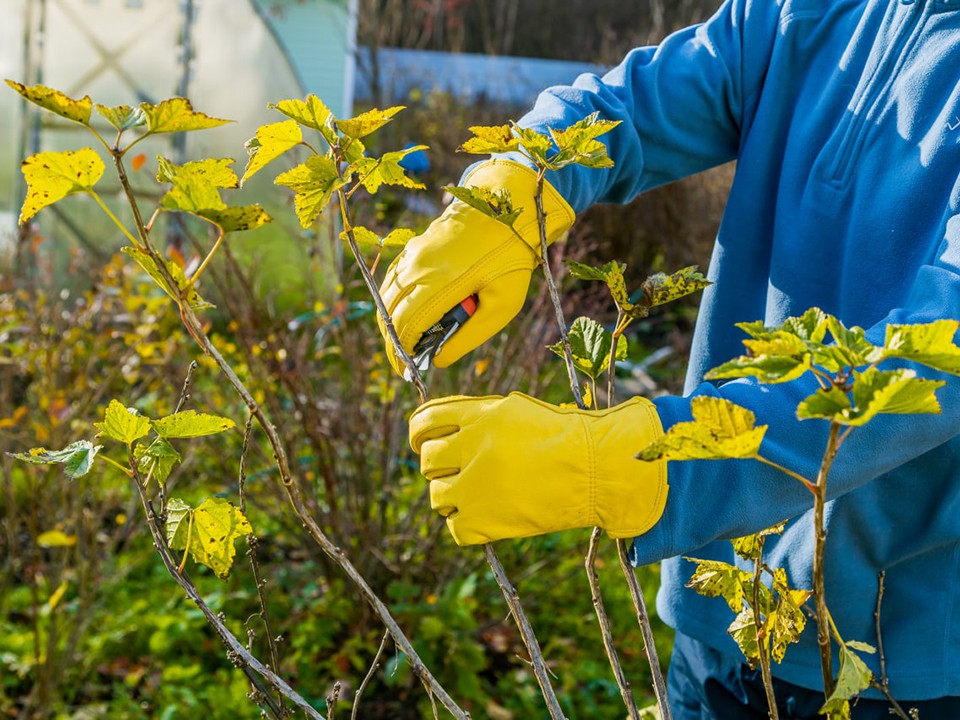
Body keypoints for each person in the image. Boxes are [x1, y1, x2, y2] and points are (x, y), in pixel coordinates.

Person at [377, 0, 960, 716]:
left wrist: (646, 464)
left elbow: (935, 360)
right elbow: (637, 103)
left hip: (896, 660)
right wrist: (515, 186)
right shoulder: (808, 11)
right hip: (717, 609)